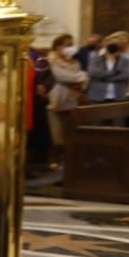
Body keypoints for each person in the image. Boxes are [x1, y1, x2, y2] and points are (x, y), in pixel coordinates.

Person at [46, 33, 89, 170]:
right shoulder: (54, 60)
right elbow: (61, 77)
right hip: (59, 99)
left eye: (72, 44)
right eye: (68, 45)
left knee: (71, 130)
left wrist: (77, 80)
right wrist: (76, 78)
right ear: (59, 47)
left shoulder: (75, 62)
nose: (71, 47)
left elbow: (84, 77)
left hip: (73, 98)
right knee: (57, 133)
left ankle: (69, 160)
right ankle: (54, 160)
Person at [86, 31, 129, 102]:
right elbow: (93, 73)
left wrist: (104, 79)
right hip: (97, 96)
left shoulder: (124, 60)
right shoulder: (97, 58)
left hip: (118, 96)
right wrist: (114, 73)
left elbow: (124, 75)